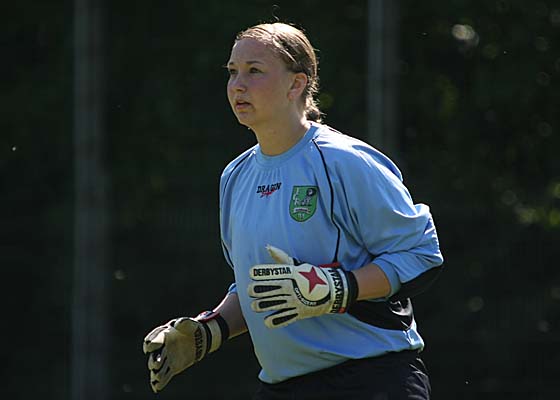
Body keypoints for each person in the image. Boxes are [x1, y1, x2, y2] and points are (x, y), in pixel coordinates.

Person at [143, 21, 444, 400]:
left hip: (372, 379)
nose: (237, 85)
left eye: (254, 71)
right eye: (233, 72)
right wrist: (210, 330)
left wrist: (338, 288)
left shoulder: (345, 161)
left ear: (296, 84)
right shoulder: (235, 176)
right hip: (282, 387)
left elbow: (420, 254)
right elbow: (259, 286)